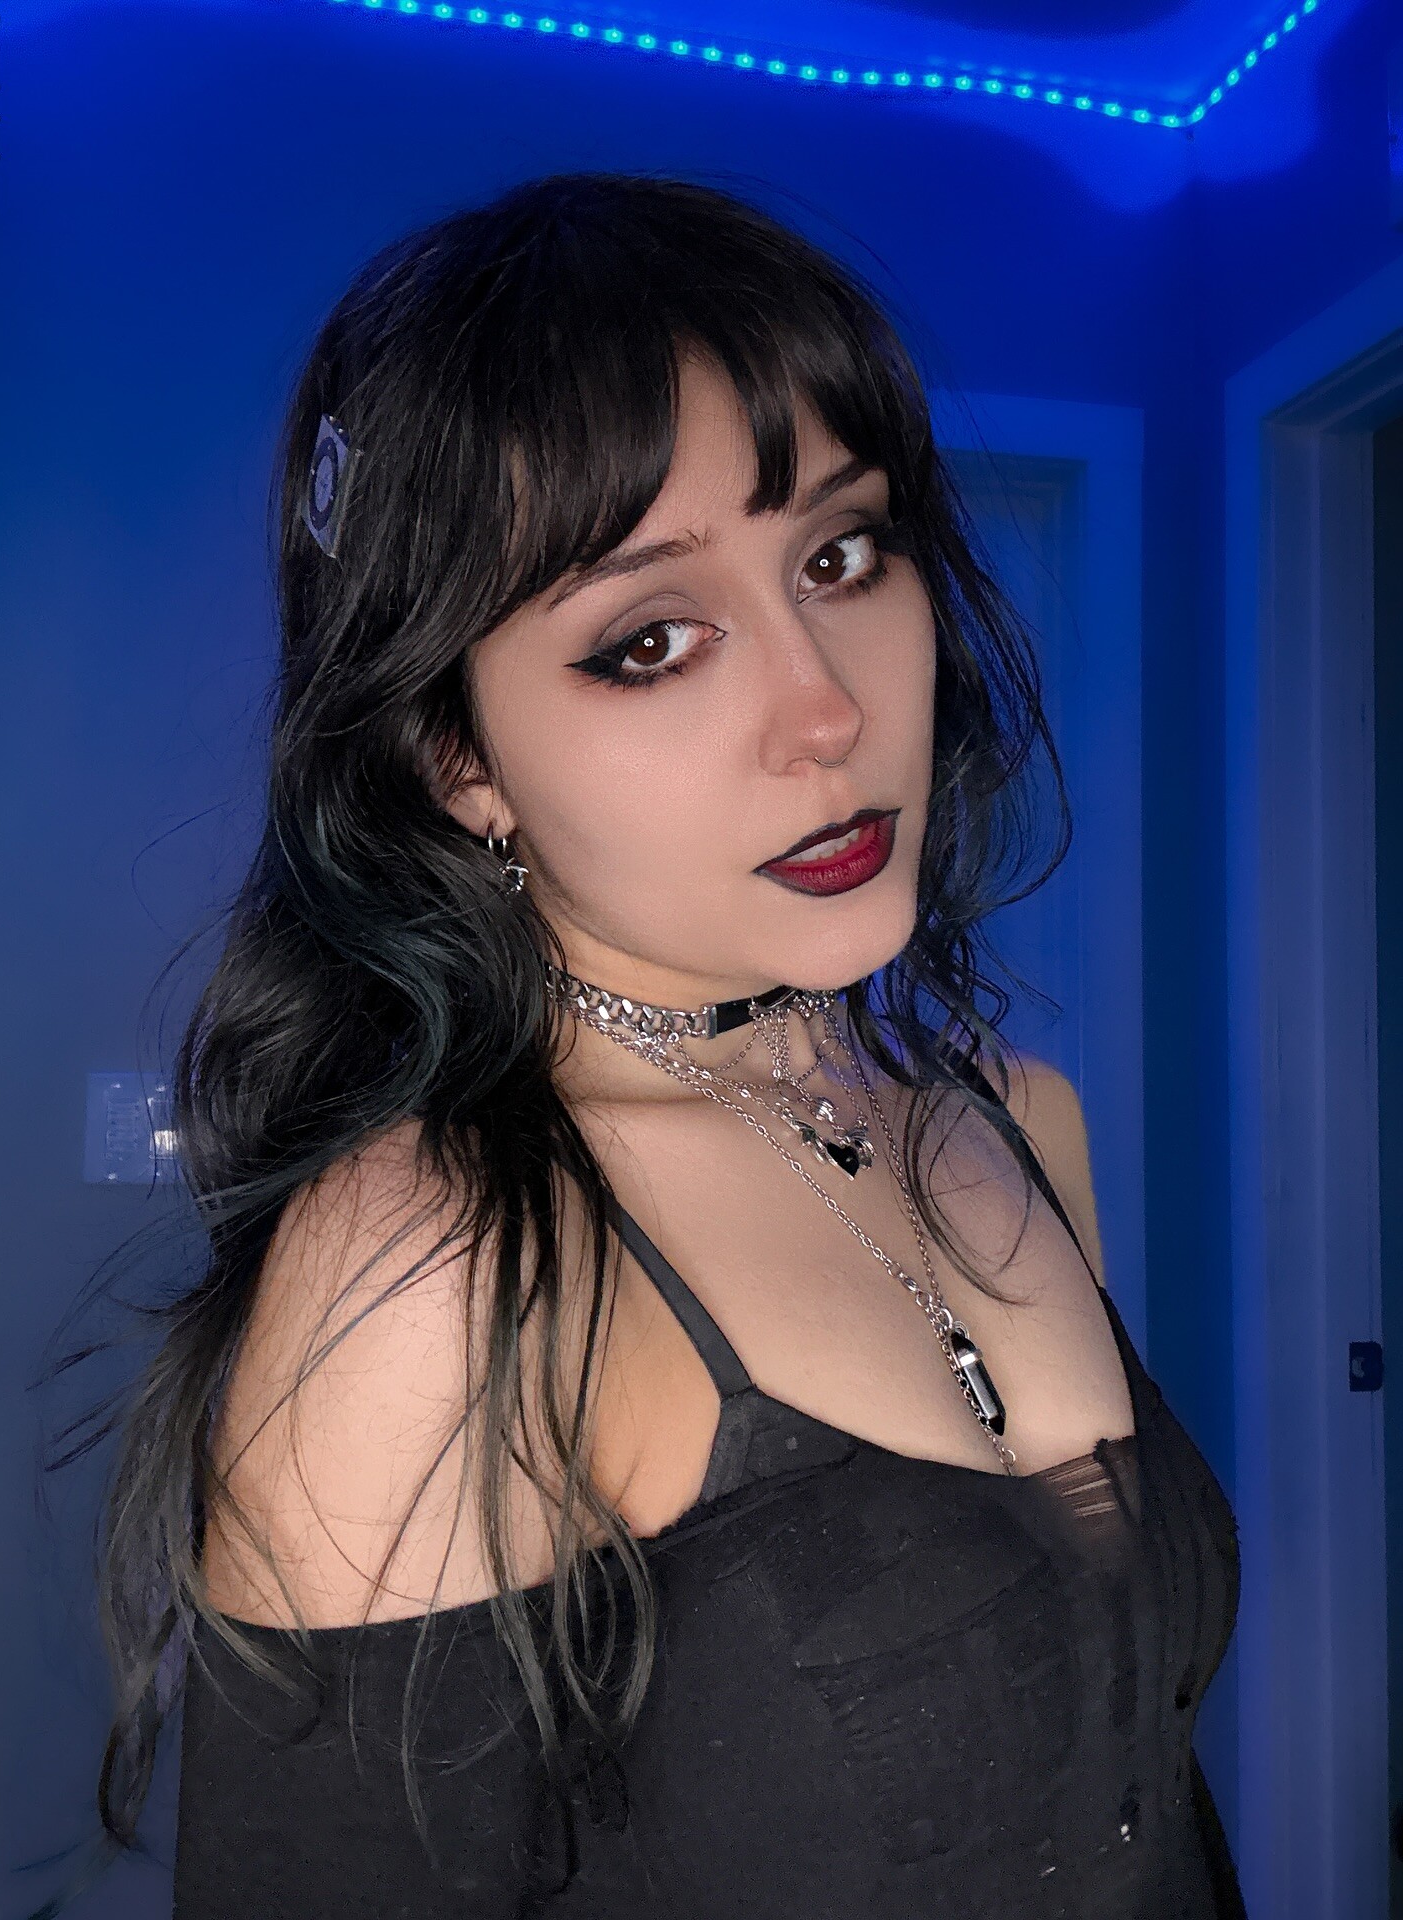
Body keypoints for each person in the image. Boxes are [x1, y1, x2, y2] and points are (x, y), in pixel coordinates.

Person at [70, 171, 1244, 1918]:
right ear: (458, 758)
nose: (827, 710)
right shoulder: (440, 1265)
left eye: (841, 555)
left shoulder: (1017, 1120)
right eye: (652, 641)